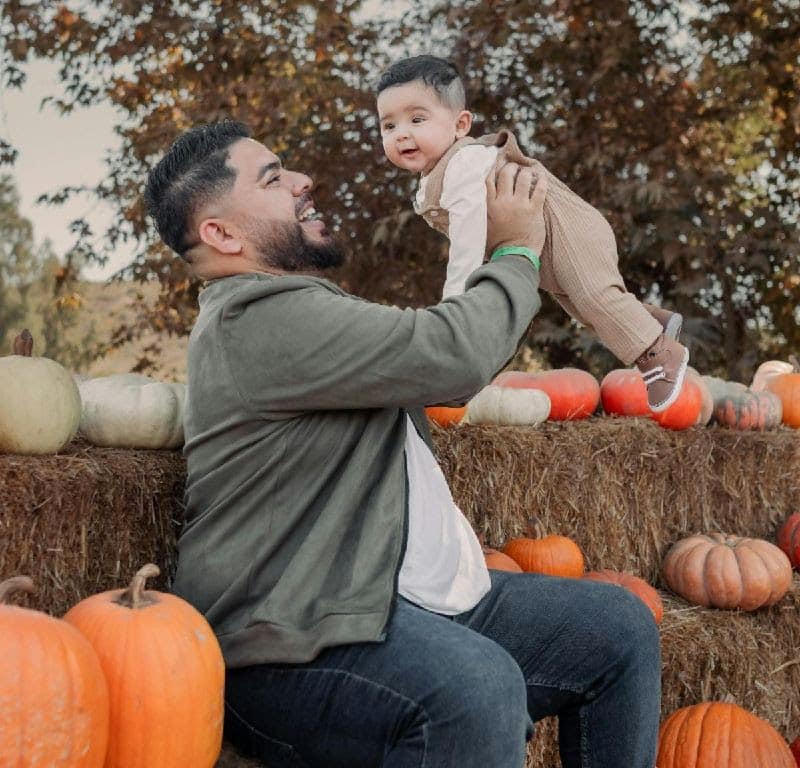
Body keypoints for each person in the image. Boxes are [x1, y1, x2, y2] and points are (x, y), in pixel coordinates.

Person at [144, 119, 660, 768]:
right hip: (286, 645)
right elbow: (456, 352)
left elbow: (441, 363)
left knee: (618, 630)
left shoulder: (301, 308)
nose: (305, 181)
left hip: (378, 606)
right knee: (475, 690)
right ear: (221, 233)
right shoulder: (256, 318)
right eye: (274, 178)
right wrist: (516, 250)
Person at [377, 54, 689, 413]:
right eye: (389, 126)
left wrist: (455, 307)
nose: (402, 133)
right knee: (578, 303)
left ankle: (659, 353)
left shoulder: (463, 163)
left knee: (591, 295)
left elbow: (467, 241)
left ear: (461, 124)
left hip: (565, 227)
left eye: (417, 119)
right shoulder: (434, 178)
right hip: (541, 243)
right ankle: (654, 321)